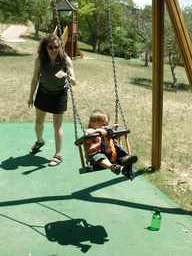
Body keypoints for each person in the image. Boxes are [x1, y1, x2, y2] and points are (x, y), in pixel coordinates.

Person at [28, 34, 76, 166]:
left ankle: (58, 155)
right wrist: (31, 96)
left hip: (59, 95)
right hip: (43, 93)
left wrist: (68, 76)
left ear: (60, 46)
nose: (54, 50)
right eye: (50, 47)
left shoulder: (65, 60)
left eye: (56, 46)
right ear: (45, 47)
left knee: (57, 126)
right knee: (39, 122)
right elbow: (35, 79)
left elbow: (74, 81)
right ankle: (39, 141)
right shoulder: (40, 60)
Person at [85, 110, 137, 180]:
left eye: (106, 124)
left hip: (112, 155)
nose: (104, 127)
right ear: (92, 123)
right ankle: (112, 167)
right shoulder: (89, 131)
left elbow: (110, 133)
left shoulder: (105, 131)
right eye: (103, 125)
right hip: (96, 158)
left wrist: (112, 129)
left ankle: (127, 169)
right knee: (99, 156)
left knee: (122, 152)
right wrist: (98, 130)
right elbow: (87, 135)